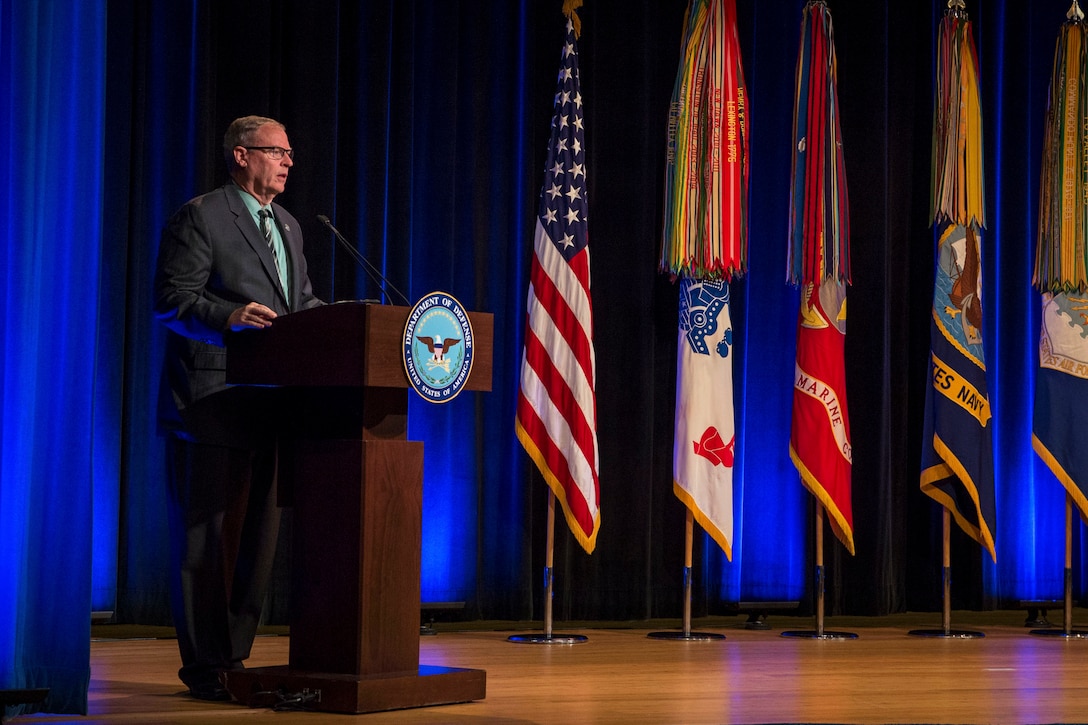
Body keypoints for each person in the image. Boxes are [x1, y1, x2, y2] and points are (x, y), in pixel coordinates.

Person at [153, 115, 324, 700]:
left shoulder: (291, 228)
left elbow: (299, 304)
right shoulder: (202, 215)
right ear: (241, 156)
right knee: (210, 541)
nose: (288, 162)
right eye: (278, 151)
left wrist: (342, 319)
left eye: (290, 152)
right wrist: (226, 317)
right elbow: (171, 299)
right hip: (211, 400)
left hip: (270, 404)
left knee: (257, 541)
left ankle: (235, 660)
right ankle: (206, 667)